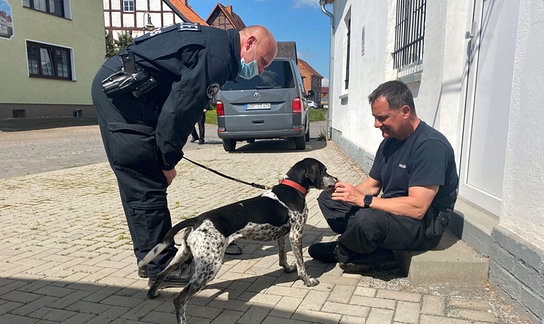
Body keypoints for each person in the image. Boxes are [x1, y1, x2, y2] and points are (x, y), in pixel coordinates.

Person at [91, 23, 277, 287]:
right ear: (249, 43)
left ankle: (154, 258)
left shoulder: (215, 43)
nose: (261, 70)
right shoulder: (219, 56)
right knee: (146, 178)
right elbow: (181, 110)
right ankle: (161, 267)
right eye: (263, 62)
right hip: (123, 98)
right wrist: (166, 161)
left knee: (142, 179)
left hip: (130, 91)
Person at [308, 80, 459, 273]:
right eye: (375, 118)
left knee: (366, 219)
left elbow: (418, 207)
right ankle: (368, 245)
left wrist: (364, 200)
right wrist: (348, 192)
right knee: (329, 200)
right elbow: (372, 185)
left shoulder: (430, 146)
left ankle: (344, 250)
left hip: (423, 226)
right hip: (393, 211)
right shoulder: (389, 142)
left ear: (405, 112)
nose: (376, 124)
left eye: (382, 118)